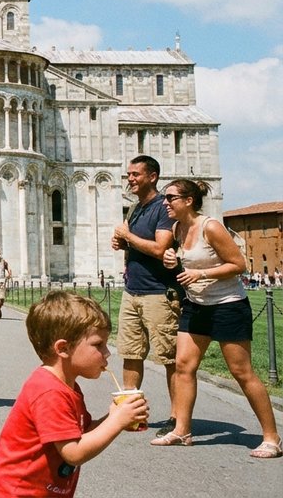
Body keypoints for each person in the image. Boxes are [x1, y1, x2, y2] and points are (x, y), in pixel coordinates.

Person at [152, 180, 281, 458]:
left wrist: (201, 274)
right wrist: (172, 261)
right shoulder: (177, 228)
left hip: (227, 305)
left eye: (170, 197)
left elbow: (238, 265)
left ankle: (272, 437)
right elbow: (186, 264)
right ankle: (182, 430)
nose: (165, 202)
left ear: (188, 201)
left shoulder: (210, 227)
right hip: (196, 305)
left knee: (242, 372)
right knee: (184, 366)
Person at [0, 291, 148, 497]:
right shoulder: (49, 392)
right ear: (63, 348)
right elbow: (73, 452)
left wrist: (115, 416)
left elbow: (80, 433)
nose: (107, 352)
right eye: (98, 344)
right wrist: (117, 421)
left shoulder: (68, 387)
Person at [111, 155, 179, 436]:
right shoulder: (135, 209)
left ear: (152, 176)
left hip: (158, 292)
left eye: (136, 174)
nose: (130, 179)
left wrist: (128, 238)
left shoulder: (162, 208)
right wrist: (121, 243)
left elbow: (161, 249)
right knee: (130, 353)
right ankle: (132, 413)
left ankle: (177, 417)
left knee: (169, 357)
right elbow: (134, 245)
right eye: (129, 174)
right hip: (133, 291)